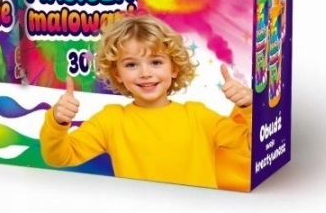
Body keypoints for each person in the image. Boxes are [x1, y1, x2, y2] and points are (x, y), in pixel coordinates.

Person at [39, 14, 252, 189]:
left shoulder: (198, 116)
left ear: (174, 67)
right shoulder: (111, 120)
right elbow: (59, 157)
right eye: (131, 65)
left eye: (156, 62)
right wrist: (57, 121)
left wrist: (248, 107)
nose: (145, 73)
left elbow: (250, 146)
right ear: (117, 73)